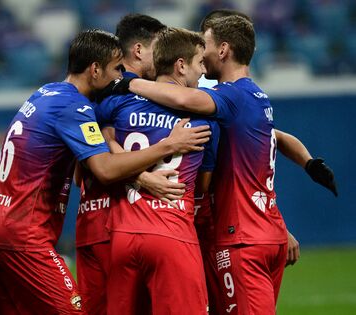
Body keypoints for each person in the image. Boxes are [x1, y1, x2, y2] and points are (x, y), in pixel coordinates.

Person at [102, 15, 338, 315]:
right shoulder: (251, 99)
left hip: (230, 236)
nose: (203, 65)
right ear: (181, 64)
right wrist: (308, 164)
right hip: (257, 231)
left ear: (223, 50)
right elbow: (277, 138)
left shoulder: (221, 101)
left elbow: (183, 99)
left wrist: (128, 83)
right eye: (198, 59)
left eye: (207, 48)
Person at [0, 29, 211, 315]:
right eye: (116, 69)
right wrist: (168, 146)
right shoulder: (73, 107)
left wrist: (140, 175)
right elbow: (103, 170)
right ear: (95, 69)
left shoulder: (43, 94)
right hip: (24, 235)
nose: (119, 79)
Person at [99, 27, 217, 315]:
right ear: (180, 65)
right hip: (172, 234)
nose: (203, 72)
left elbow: (97, 135)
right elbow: (203, 185)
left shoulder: (119, 103)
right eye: (200, 62)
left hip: (123, 237)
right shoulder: (205, 119)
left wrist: (131, 168)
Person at [75, 14, 178, 315]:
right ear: (138, 50)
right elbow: (103, 146)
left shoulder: (96, 91)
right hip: (118, 223)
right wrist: (144, 178)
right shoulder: (117, 93)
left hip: (94, 223)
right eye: (158, 48)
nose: (164, 57)